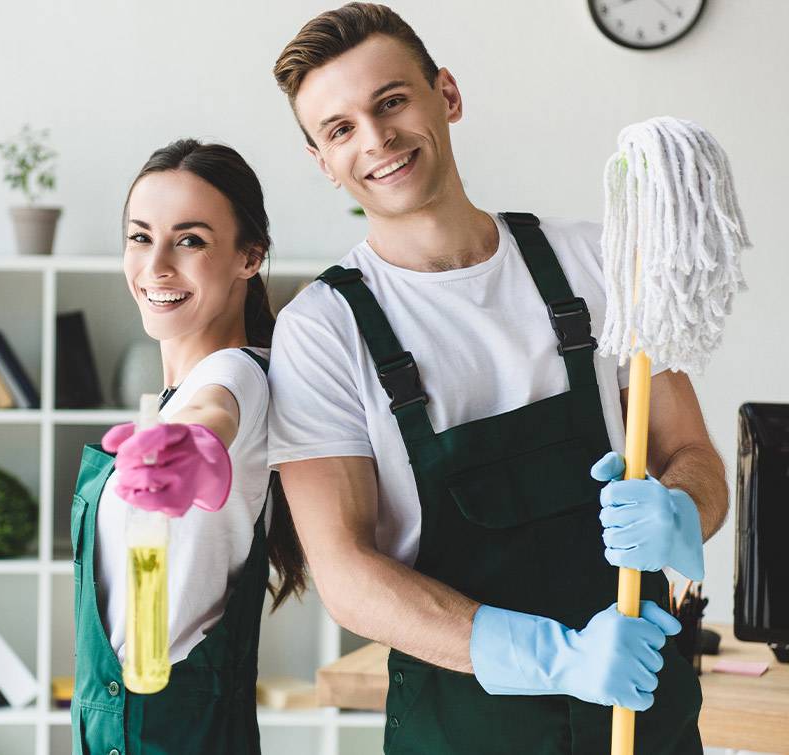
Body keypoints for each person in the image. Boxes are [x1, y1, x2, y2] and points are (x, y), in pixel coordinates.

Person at [267, 4, 725, 753]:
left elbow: (698, 461)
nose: (376, 139)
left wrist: (677, 509)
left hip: (642, 710)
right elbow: (347, 576)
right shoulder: (324, 329)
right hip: (463, 727)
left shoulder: (598, 264)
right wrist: (558, 659)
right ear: (324, 161)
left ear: (446, 94)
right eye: (340, 129)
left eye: (391, 101)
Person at [70, 139, 305, 755]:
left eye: (191, 240)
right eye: (141, 237)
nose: (157, 267)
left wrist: (190, 441)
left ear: (249, 257)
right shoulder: (174, 394)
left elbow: (216, 411)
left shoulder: (239, 374)